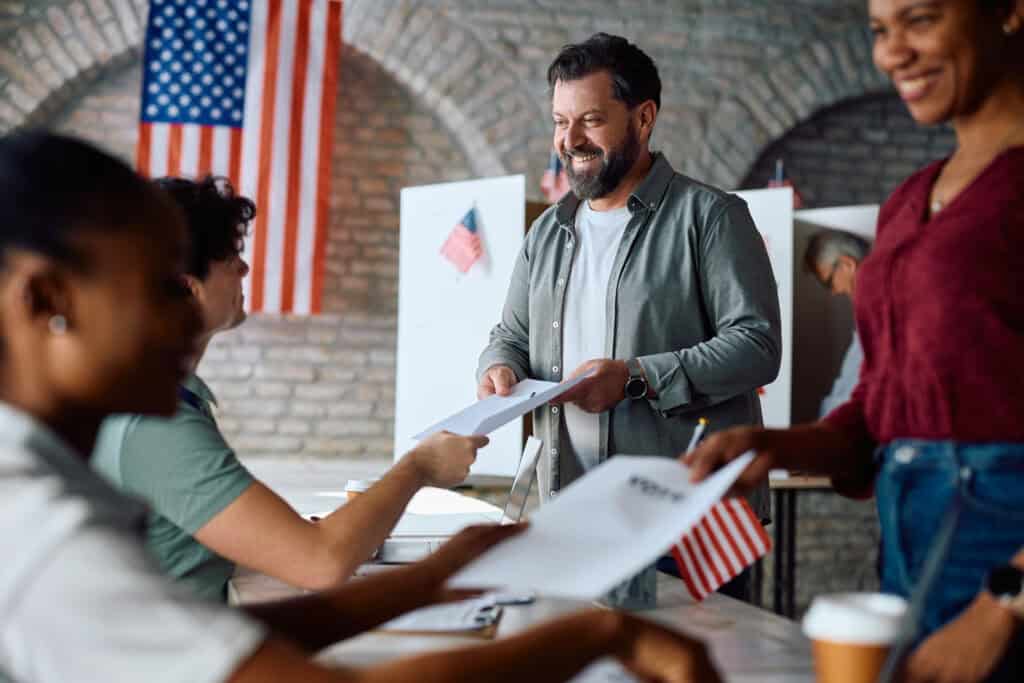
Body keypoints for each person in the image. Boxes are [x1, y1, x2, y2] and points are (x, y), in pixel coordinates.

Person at [0, 131, 721, 683]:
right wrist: (601, 639)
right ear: (44, 302)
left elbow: (218, 639)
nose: (181, 320)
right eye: (158, 289)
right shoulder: (40, 536)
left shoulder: (49, 472)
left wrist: (434, 576)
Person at [686, 1, 1024, 681]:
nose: (893, 51)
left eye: (921, 19)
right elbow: (879, 407)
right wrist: (775, 445)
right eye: (879, 29)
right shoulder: (908, 201)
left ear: (1009, 11)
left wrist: (1004, 604)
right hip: (912, 549)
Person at [477, 33, 781, 601]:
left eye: (590, 119)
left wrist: (637, 377)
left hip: (686, 518)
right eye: (559, 121)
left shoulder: (712, 217)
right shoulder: (547, 232)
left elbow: (758, 344)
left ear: (643, 118)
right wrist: (498, 367)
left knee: (698, 664)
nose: (569, 140)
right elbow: (510, 336)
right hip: (576, 513)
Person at [92, 175, 481, 602]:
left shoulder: (154, 394)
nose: (244, 268)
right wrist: (419, 466)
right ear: (188, 288)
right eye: (230, 256)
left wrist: (305, 534)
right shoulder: (154, 423)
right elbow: (321, 563)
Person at [803, 228, 870, 416]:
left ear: (847, 264)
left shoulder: (877, 309)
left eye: (829, 282)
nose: (834, 291)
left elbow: (849, 392)